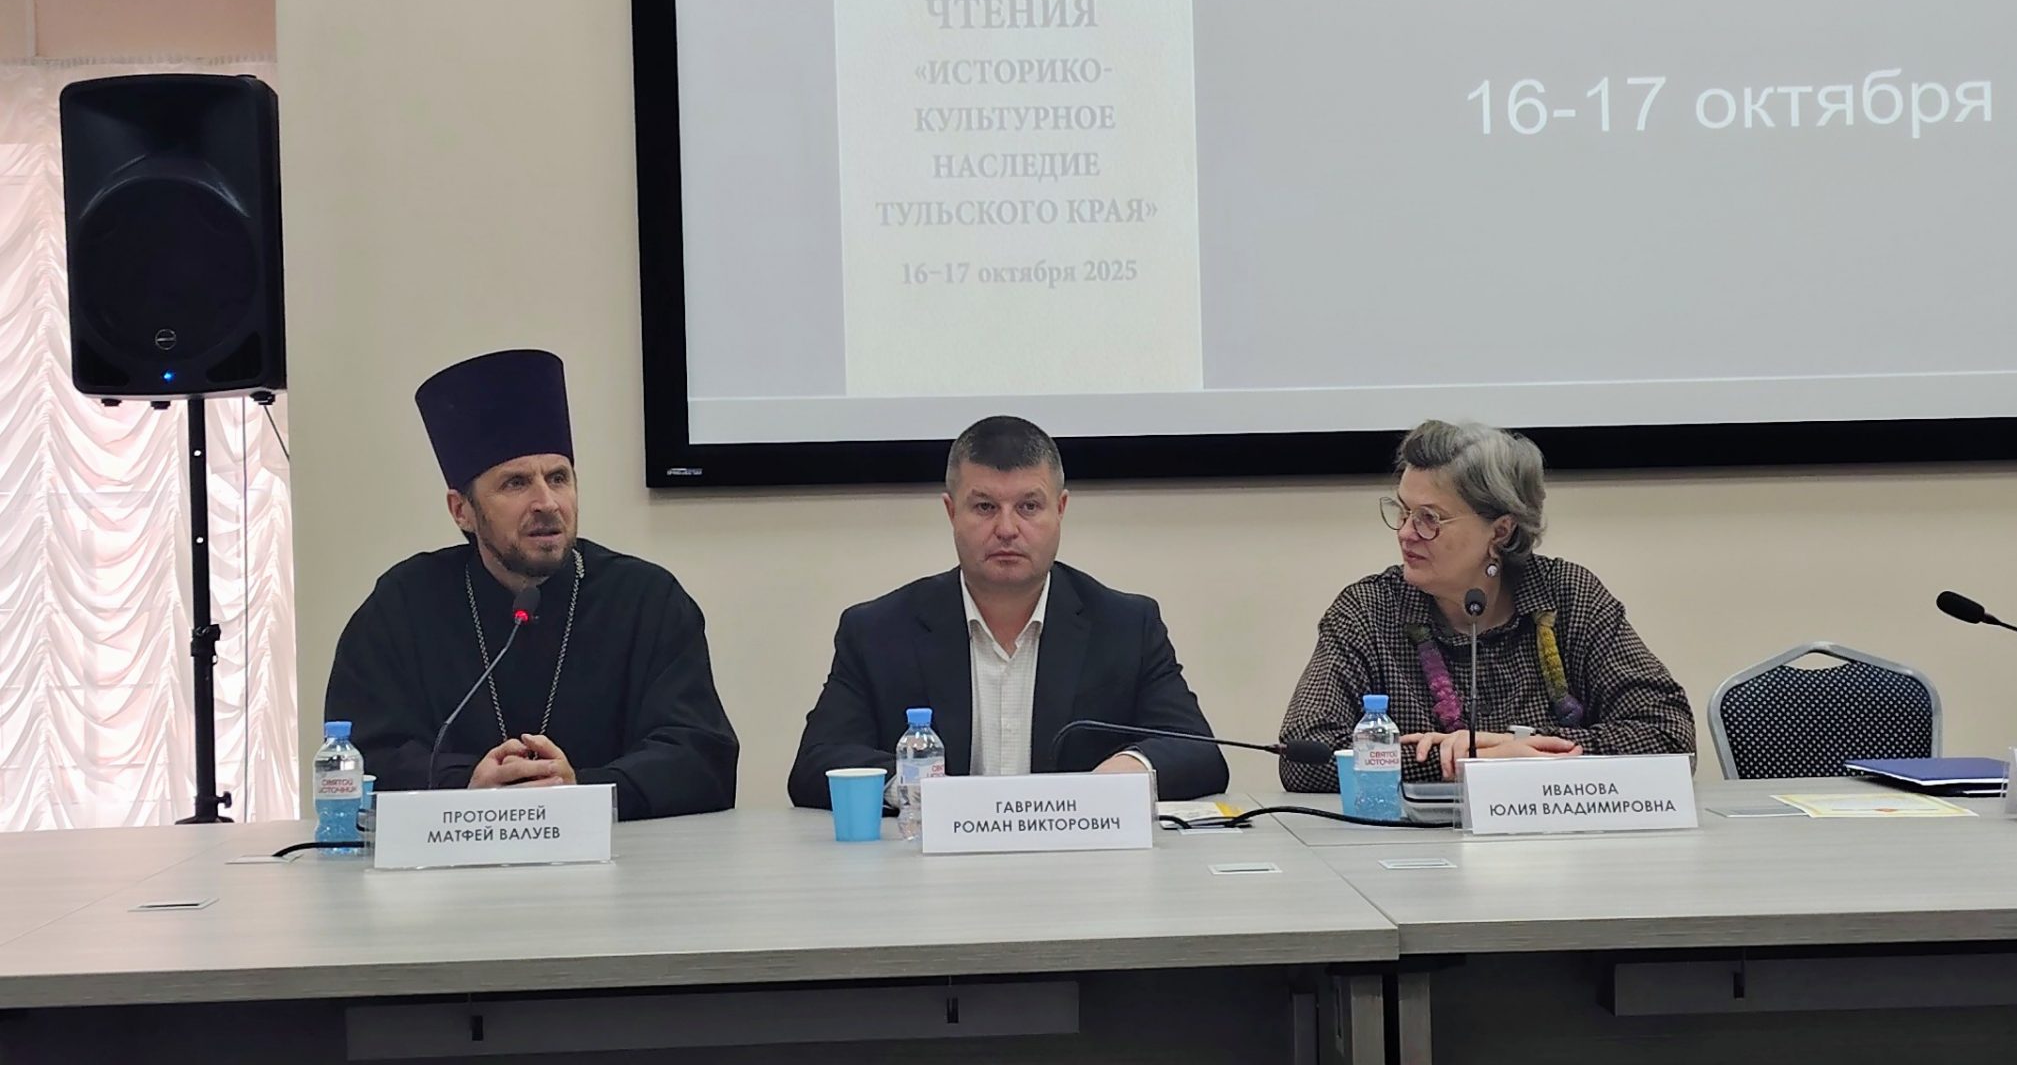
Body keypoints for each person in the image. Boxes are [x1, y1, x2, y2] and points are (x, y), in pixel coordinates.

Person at [323, 348, 739, 818]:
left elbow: (701, 757)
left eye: (558, 478)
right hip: (455, 860)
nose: (547, 503)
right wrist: (467, 785)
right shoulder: (403, 605)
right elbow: (359, 758)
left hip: (619, 858)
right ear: (461, 510)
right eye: (516, 483)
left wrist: (579, 789)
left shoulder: (647, 600)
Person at [789, 415, 1226, 806]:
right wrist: (917, 789)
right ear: (951, 512)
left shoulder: (1125, 625)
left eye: (1028, 507)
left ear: (1060, 509)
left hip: (1077, 860)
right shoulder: (878, 630)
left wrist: (1124, 773)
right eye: (984, 507)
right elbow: (817, 762)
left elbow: (1200, 754)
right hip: (929, 863)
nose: (1006, 528)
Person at [1279, 420, 1693, 788]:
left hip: (1559, 842)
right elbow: (1302, 755)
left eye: (1429, 518)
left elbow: (1670, 737)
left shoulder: (1568, 596)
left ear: (1500, 530)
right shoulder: (1369, 610)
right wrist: (1464, 764)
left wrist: (1519, 751)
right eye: (1403, 511)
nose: (1405, 533)